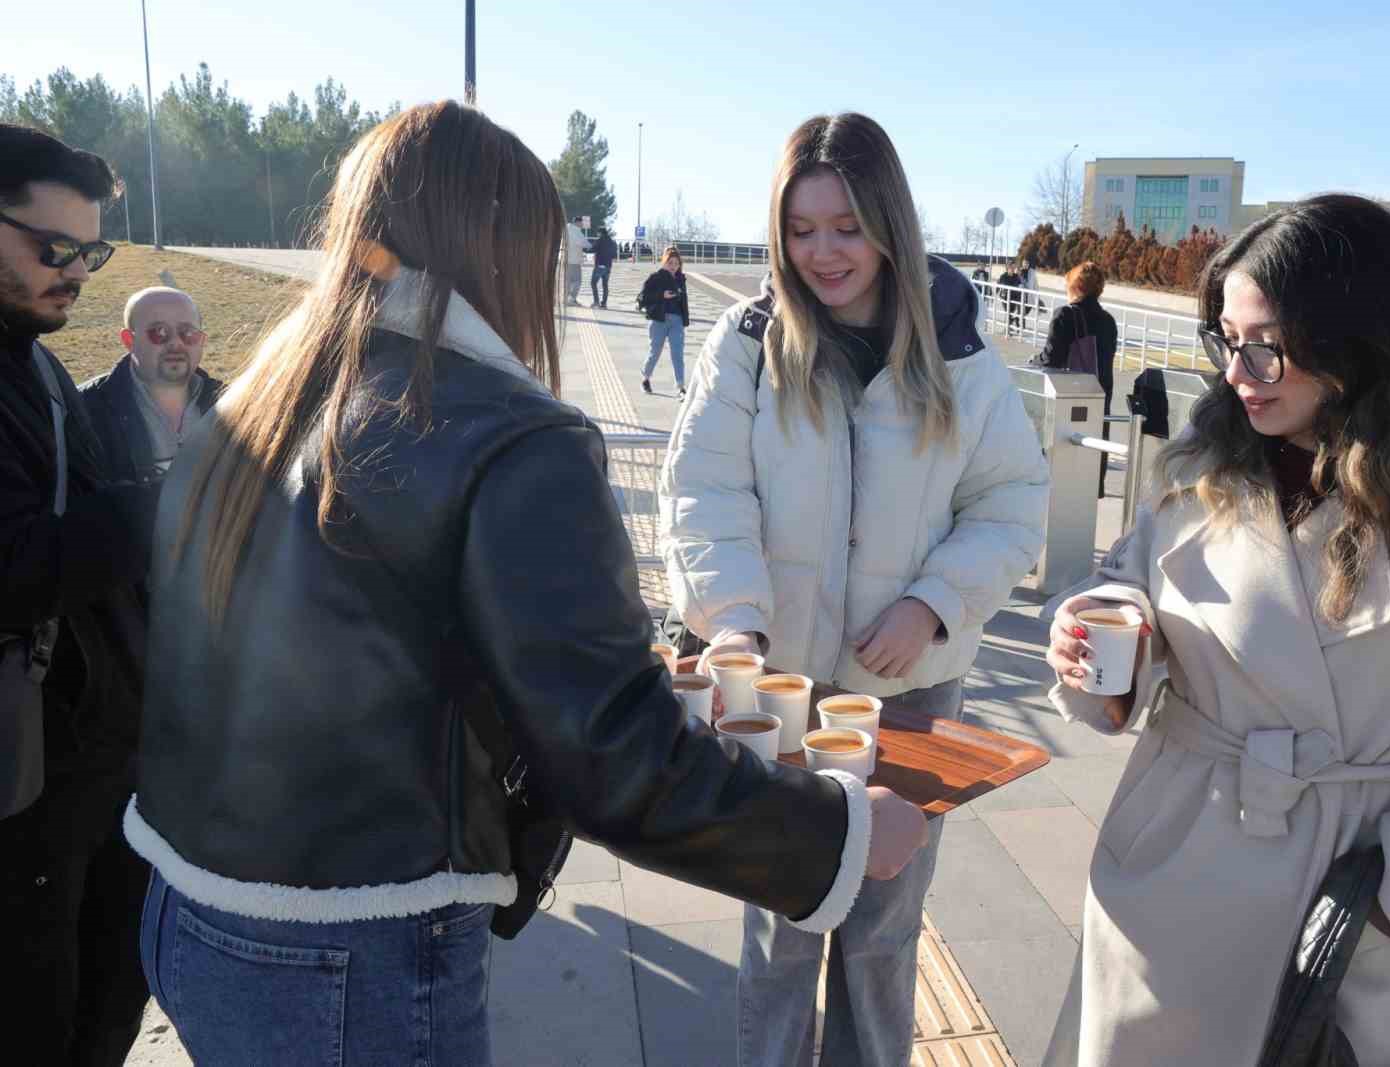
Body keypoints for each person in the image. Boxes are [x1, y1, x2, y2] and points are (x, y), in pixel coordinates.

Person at [127, 101, 929, 1066]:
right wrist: (838, 832)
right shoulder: (515, 434)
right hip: (357, 944)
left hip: (185, 906)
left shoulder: (259, 393)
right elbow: (614, 758)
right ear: (499, 248)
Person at [1042, 194, 1390, 1065]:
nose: (1236, 371)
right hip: (1168, 885)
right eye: (1226, 340)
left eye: (1265, 345)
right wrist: (1108, 640)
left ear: (1360, 339)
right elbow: (1133, 582)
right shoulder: (1206, 455)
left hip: (1349, 910)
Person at [661, 112, 1048, 1067]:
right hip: (784, 694)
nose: (823, 252)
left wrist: (934, 603)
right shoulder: (750, 343)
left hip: (911, 693)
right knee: (784, 927)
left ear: (889, 222)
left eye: (846, 226)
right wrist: (735, 626)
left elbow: (1012, 502)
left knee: (883, 931)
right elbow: (705, 489)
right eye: (802, 229)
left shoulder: (960, 358)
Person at [0, 122, 158, 1066]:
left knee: (107, 991)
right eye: (52, 249)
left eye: (89, 252)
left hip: (90, 767)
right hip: (22, 789)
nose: (76, 272)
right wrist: (169, 505)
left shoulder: (36, 354)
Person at [79, 287, 223, 485]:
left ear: (202, 340)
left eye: (188, 333)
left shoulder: (234, 404)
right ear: (129, 340)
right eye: (159, 332)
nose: (176, 343)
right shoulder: (86, 410)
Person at [1034, 262, 1117, 495]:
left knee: (1061, 465)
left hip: (1067, 399)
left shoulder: (1065, 315)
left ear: (1074, 285)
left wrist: (1034, 361)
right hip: (1099, 399)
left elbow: (1052, 359)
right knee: (1087, 469)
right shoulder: (1108, 321)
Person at [638, 246, 690, 397]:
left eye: (676, 263)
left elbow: (683, 300)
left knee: (677, 353)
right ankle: (646, 379)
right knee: (655, 351)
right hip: (659, 319)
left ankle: (680, 387)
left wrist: (685, 319)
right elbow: (643, 298)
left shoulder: (681, 279)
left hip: (677, 320)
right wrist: (662, 295)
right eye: (670, 263)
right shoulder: (655, 277)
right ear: (664, 262)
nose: (673, 266)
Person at [590, 226, 618, 309]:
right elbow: (614, 255)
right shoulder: (612, 242)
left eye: (598, 233)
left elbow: (592, 250)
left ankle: (596, 302)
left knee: (593, 283)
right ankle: (604, 303)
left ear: (600, 233)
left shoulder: (599, 241)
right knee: (605, 285)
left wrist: (584, 249)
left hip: (599, 265)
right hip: (608, 266)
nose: (597, 234)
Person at [564, 215, 589, 304]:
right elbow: (584, 243)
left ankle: (566, 299)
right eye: (581, 223)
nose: (582, 225)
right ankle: (571, 299)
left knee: (568, 281)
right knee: (577, 280)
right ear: (577, 222)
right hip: (574, 260)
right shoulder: (576, 231)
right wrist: (590, 246)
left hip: (565, 259)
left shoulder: (566, 229)